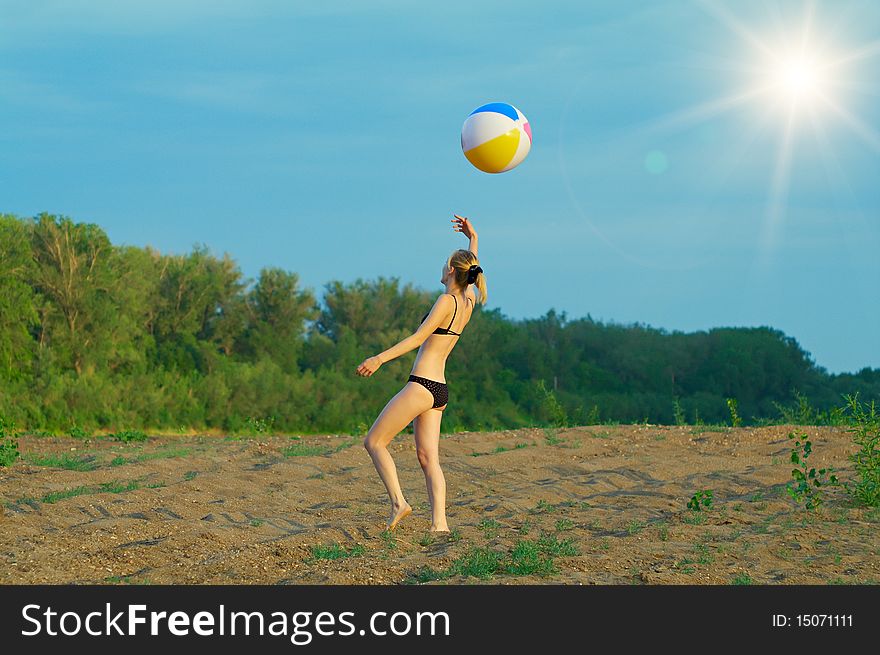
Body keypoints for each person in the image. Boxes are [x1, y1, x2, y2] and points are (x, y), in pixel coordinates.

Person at [355, 214, 487, 532]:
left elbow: (416, 339)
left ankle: (399, 503)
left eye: (446, 265)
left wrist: (379, 358)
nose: (442, 268)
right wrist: (474, 238)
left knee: (374, 442)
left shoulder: (446, 301)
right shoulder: (468, 300)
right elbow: (474, 268)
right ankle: (439, 526)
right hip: (439, 390)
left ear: (452, 271)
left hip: (422, 385)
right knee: (428, 459)